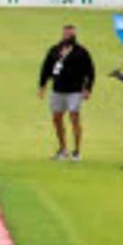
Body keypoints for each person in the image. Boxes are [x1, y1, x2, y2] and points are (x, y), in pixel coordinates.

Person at [36, 23, 95, 161]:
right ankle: (62, 148)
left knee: (74, 117)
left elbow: (90, 71)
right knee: (57, 118)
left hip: (75, 90)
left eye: (71, 34)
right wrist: (42, 86)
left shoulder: (81, 52)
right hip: (58, 89)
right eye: (66, 34)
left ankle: (77, 150)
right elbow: (46, 68)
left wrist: (87, 88)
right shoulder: (55, 50)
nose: (69, 36)